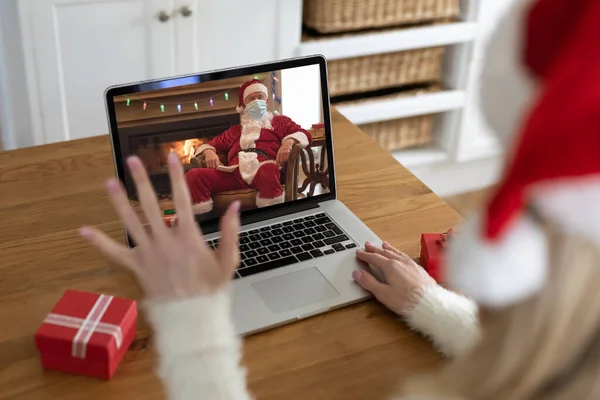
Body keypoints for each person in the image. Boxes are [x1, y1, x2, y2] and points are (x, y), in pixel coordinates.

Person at [78, 0, 600, 398]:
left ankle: (265, 212)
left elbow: (302, 139)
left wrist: (289, 140)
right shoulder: (230, 132)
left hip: (264, 176)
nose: (256, 106)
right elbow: (528, 359)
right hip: (230, 177)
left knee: (266, 184)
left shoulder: (278, 121)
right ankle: (194, 220)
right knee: (197, 182)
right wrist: (207, 160)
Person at [185, 79, 312, 214]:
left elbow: (303, 133)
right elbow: (210, 144)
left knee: (269, 169)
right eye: (251, 99)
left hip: (262, 169)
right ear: (245, 105)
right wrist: (209, 152)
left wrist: (288, 143)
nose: (256, 101)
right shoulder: (234, 131)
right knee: (193, 175)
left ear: (267, 101)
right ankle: (207, 223)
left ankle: (274, 216)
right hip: (234, 173)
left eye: (260, 97)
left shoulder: (279, 122)